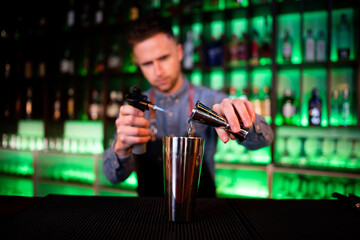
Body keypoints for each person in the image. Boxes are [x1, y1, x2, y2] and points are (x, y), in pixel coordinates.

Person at [103, 14, 273, 198]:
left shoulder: (210, 99)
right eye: (147, 63)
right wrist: (121, 148)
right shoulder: (135, 109)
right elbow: (113, 176)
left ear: (179, 52)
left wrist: (243, 121)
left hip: (202, 209)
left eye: (164, 58)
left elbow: (265, 139)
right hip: (149, 212)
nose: (158, 71)